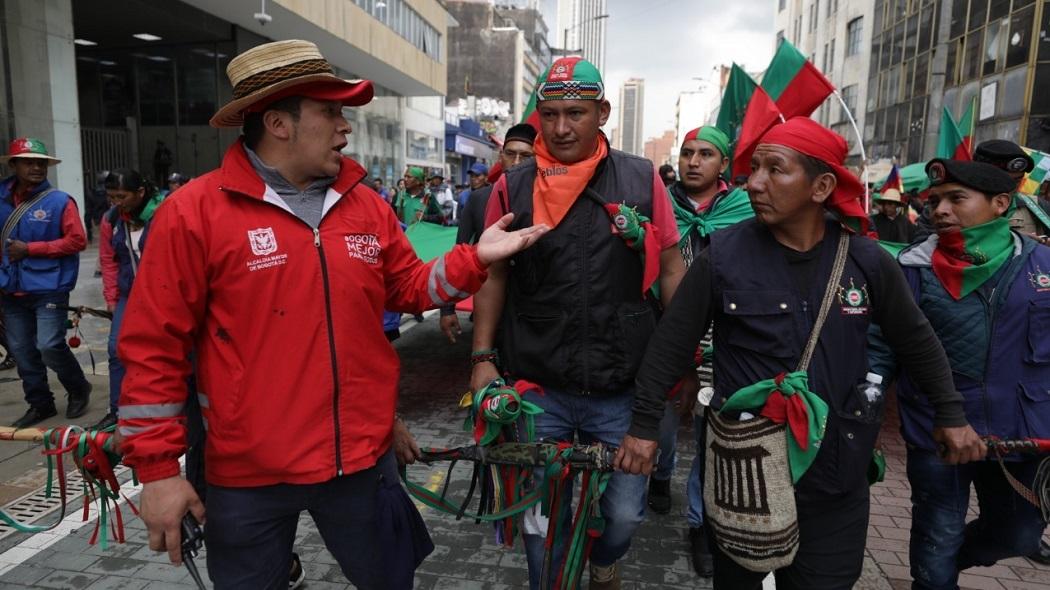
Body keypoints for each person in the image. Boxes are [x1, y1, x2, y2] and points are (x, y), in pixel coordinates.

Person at [115, 39, 548, 590]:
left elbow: (409, 287)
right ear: (278, 122)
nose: (346, 127)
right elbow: (153, 348)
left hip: (361, 463)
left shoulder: (366, 204)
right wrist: (156, 474)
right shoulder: (192, 213)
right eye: (330, 111)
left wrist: (474, 259)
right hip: (246, 473)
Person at [617, 117, 985, 590]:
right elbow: (670, 345)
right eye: (754, 169)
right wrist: (644, 426)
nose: (755, 182)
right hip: (744, 470)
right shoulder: (724, 255)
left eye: (776, 170)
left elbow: (917, 343)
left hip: (836, 471)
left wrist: (951, 415)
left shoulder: (866, 260)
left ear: (822, 186)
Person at [470, 56, 687, 590]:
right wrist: (480, 360)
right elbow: (492, 277)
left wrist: (681, 360)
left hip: (621, 389)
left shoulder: (641, 178)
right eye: (550, 114)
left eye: (576, 113)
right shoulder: (512, 188)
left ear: (603, 113)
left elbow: (673, 268)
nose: (561, 128)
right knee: (539, 524)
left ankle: (605, 561)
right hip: (537, 387)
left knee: (624, 516)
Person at [868, 158, 1050, 589]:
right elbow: (881, 344)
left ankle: (944, 567)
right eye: (934, 201)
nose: (940, 210)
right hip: (938, 433)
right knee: (937, 538)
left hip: (1022, 434)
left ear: (1000, 203)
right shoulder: (911, 268)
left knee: (1019, 534)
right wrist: (869, 400)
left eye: (956, 199)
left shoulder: (1043, 266)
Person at [650, 125, 753, 577]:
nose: (694, 161)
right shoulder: (656, 203)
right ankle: (659, 473)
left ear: (723, 164)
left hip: (722, 341)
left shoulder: (747, 211)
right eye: (687, 152)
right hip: (664, 335)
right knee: (664, 424)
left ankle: (699, 523)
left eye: (706, 154)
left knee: (713, 436)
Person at [0, 138, 92, 428]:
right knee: (21, 350)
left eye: (42, 163)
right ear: (13, 165)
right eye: (29, 161)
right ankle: (40, 404)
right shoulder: (0, 198)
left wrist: (31, 249)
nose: (37, 167)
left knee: (49, 345)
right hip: (9, 287)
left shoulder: (60, 201)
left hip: (49, 286)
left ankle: (78, 387)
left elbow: (78, 240)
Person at [440, 124, 536, 344]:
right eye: (511, 154)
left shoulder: (544, 199)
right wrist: (447, 309)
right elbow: (459, 253)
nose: (517, 162)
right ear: (501, 157)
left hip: (532, 310)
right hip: (489, 305)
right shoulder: (478, 199)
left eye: (526, 156)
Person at [93, 169, 165, 431]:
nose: (116, 202)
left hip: (165, 295)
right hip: (128, 294)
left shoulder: (164, 213)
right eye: (111, 197)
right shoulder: (111, 220)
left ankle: (171, 407)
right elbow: (108, 261)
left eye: (121, 196)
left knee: (167, 350)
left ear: (141, 192)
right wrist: (111, 299)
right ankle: (117, 410)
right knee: (116, 350)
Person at [975, 139, 1050, 246]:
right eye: (1004, 180)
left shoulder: (1037, 207)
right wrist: (1012, 239)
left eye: (1017, 180)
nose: (1012, 187)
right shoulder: (957, 204)